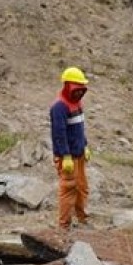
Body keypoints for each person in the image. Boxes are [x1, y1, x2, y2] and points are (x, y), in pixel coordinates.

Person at [50, 66, 92, 230]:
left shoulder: (77, 103)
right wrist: (65, 155)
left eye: (81, 88)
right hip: (68, 157)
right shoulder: (59, 107)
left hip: (79, 153)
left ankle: (82, 219)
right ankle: (64, 226)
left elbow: (80, 128)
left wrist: (85, 145)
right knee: (68, 189)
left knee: (82, 187)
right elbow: (59, 134)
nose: (79, 92)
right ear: (67, 85)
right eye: (77, 88)